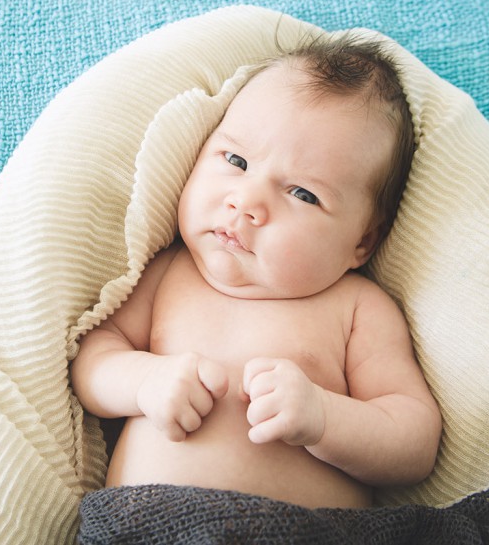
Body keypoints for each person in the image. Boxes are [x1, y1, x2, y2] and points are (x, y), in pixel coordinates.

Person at [71, 34, 442, 509]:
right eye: (236, 161)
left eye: (302, 194)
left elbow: (413, 441)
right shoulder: (168, 274)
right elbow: (93, 360)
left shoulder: (357, 309)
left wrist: (326, 419)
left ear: (362, 241)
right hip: (144, 523)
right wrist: (144, 381)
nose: (246, 202)